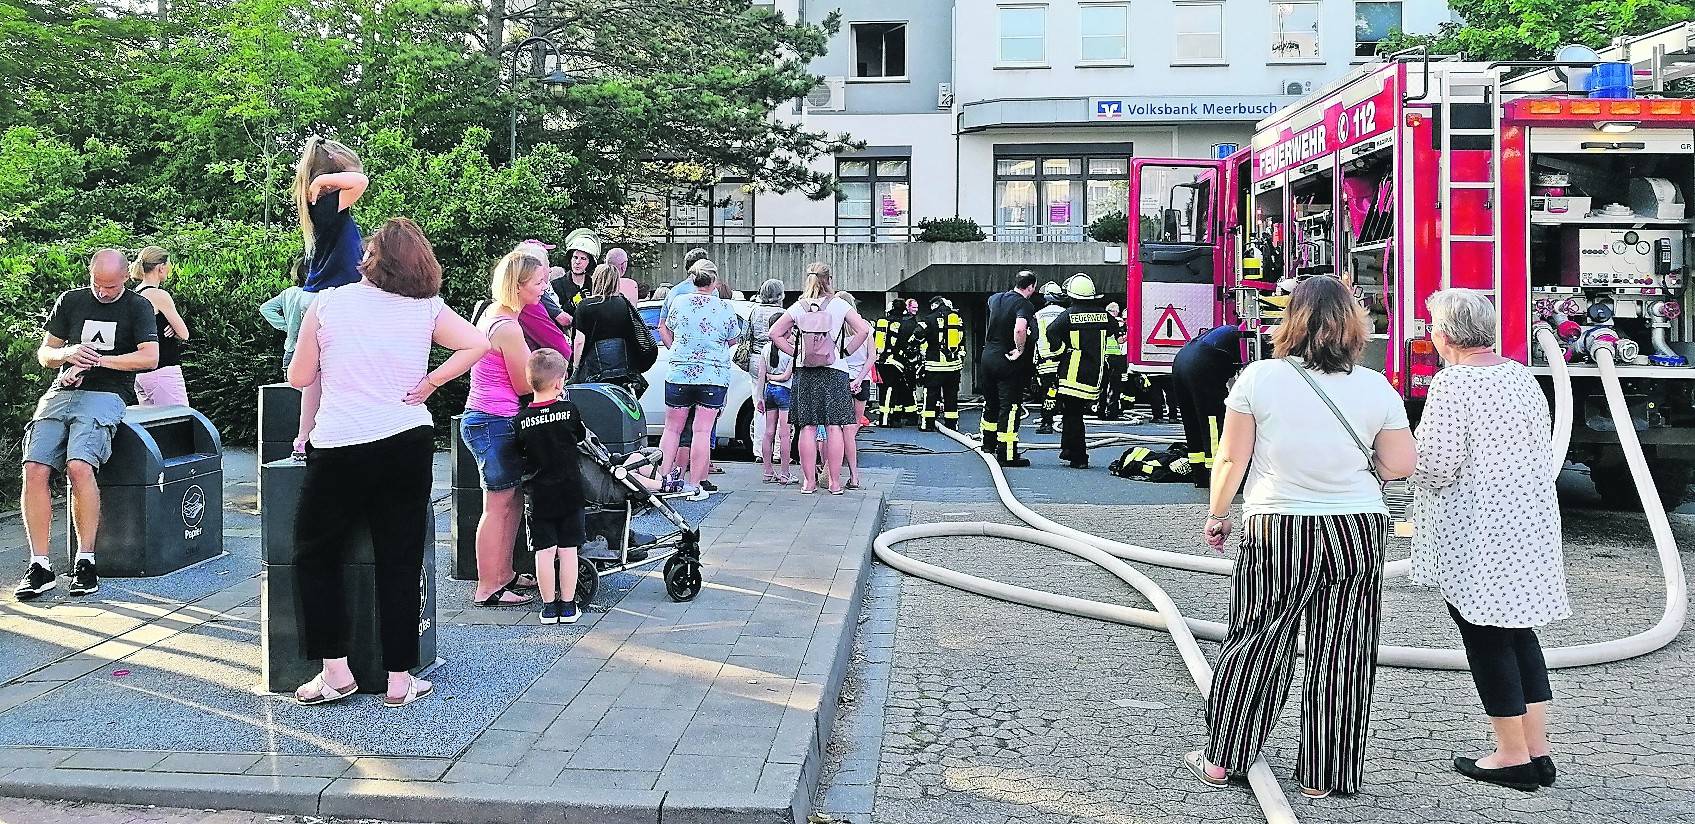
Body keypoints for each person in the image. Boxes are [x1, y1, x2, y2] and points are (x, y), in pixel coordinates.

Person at [1184, 276, 1417, 798]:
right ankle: (1324, 775)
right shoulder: (1376, 386)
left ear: (1290, 322)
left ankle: (1223, 758)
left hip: (1277, 524)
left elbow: (1231, 457)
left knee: (1257, 640)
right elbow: (1402, 463)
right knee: (1344, 651)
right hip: (1356, 526)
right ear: (1353, 324)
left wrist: (1218, 514)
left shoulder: (1259, 378)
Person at [286, 217, 487, 708]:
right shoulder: (427, 307)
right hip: (406, 439)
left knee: (316, 554)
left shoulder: (327, 303)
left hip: (339, 443)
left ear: (370, 260)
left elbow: (299, 376)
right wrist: (432, 382)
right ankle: (400, 678)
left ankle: (335, 670)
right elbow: (478, 343)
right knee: (400, 557)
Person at [1410, 288, 1568, 792]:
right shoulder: (1520, 376)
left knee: (1485, 636)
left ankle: (1511, 756)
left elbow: (1437, 466)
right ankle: (1538, 751)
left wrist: (1392, 460)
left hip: (1477, 530)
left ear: (1444, 335)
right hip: (1528, 523)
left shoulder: (1452, 384)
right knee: (1520, 633)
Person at [13, 250, 159, 601]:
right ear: (90, 274)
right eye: (97, 284)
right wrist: (67, 355)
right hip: (62, 390)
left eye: (111, 286)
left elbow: (150, 357)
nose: (103, 292)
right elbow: (46, 353)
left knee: (79, 465)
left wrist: (98, 361)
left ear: (126, 278)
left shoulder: (138, 306)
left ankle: (86, 560)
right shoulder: (71, 300)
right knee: (34, 467)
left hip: (107, 394)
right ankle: (40, 565)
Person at [462, 252, 553, 608]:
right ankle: (487, 585)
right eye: (538, 282)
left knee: (511, 501)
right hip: (493, 420)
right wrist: (550, 375)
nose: (544, 287)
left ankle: (504, 574)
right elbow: (523, 384)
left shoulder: (494, 314)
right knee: (497, 506)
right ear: (518, 286)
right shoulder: (509, 328)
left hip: (491, 418)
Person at [290, 136, 369, 460]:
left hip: (322, 295)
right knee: (337, 373)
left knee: (319, 376)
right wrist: (323, 181)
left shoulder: (321, 205)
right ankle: (318, 438)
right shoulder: (327, 203)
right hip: (334, 296)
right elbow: (361, 180)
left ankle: (304, 440)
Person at [770, 262, 872, 494]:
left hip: (805, 371)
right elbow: (863, 330)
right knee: (834, 426)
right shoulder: (839, 305)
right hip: (835, 370)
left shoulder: (799, 306)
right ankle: (834, 483)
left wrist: (795, 353)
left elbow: (774, 333)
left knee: (807, 427)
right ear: (829, 280)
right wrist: (845, 351)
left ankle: (809, 482)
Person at [657, 261, 744, 499]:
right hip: (712, 375)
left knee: (672, 429)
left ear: (693, 279)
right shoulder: (725, 308)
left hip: (680, 372)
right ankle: (695, 484)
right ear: (714, 281)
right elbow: (733, 338)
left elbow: (669, 328)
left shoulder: (679, 302)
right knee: (702, 431)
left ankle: (663, 479)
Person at [515, 348, 588, 626]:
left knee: (544, 552)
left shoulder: (521, 420)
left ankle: (548, 608)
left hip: (539, 496)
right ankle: (568, 606)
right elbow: (580, 436)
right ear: (559, 383)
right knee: (568, 550)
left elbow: (518, 451)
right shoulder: (569, 411)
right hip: (570, 492)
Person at [1044, 274, 1111, 469]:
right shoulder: (1104, 315)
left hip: (1072, 374)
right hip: (1095, 374)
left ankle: (1079, 456)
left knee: (1073, 415)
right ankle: (1068, 449)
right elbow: (1115, 330)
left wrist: (1060, 350)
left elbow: (1051, 331)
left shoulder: (1069, 314)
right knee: (1072, 413)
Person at [1170, 323, 1247, 487]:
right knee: (1213, 424)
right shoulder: (1248, 339)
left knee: (1192, 422)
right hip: (1202, 365)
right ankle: (1219, 476)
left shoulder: (1229, 333)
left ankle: (1200, 475)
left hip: (1181, 362)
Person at [979, 272, 1039, 467]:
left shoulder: (995, 299)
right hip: (1007, 360)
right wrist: (1020, 350)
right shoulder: (1024, 304)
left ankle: (988, 444)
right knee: (1010, 406)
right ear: (1030, 287)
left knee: (991, 402)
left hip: (988, 357)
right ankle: (1007, 453)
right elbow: (1020, 328)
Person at [572, 263, 655, 396]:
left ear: (596, 280)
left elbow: (579, 341)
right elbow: (636, 333)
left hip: (594, 370)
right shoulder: (624, 304)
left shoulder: (584, 305)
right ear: (616, 281)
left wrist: (576, 368)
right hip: (624, 370)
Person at [129, 246, 191, 407]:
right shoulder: (158, 295)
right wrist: (172, 327)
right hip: (163, 371)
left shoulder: (135, 294)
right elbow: (184, 334)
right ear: (161, 267)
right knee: (177, 419)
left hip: (140, 374)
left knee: (154, 422)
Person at [746, 278, 788, 460]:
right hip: (780, 357)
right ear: (780, 295)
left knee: (759, 404)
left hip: (757, 358)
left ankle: (759, 450)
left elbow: (746, 336)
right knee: (781, 406)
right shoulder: (784, 314)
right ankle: (778, 451)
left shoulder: (754, 311)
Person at [754, 313, 795, 484]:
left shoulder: (765, 348)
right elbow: (786, 376)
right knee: (784, 435)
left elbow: (761, 375)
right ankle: (785, 473)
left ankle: (768, 471)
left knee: (768, 432)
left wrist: (759, 397)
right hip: (785, 391)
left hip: (769, 391)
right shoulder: (791, 349)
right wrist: (775, 377)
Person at [837, 291, 873, 489]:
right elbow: (872, 357)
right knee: (853, 427)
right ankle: (854, 476)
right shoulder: (865, 326)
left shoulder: (835, 328)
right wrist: (859, 378)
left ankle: (831, 470)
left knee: (836, 427)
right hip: (862, 380)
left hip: (840, 378)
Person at [873, 298, 923, 428]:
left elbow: (877, 344)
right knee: (901, 389)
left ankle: (885, 419)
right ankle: (898, 418)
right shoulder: (909, 324)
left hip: (884, 361)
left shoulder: (883, 321)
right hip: (902, 362)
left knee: (886, 390)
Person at [918, 296, 964, 432]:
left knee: (931, 395)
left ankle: (928, 424)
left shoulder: (929, 318)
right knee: (951, 395)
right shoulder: (957, 319)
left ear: (935, 305)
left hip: (934, 365)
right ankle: (952, 424)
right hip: (953, 366)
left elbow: (918, 334)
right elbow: (962, 339)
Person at [260, 258, 314, 368]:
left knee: (289, 379)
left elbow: (265, 308)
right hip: (311, 350)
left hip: (290, 349)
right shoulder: (316, 295)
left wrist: (286, 326)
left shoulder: (288, 293)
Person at [1032, 281, 1066, 435]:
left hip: (1045, 360)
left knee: (1048, 392)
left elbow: (1033, 337)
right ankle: (1065, 420)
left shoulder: (1038, 315)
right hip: (1064, 360)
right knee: (1064, 391)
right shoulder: (1065, 313)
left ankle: (1047, 423)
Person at [552, 230, 601, 311]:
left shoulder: (595, 286)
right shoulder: (556, 285)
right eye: (575, 257)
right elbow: (555, 313)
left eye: (583, 258)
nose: (577, 262)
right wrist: (574, 302)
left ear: (590, 263)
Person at [1099, 302, 1128, 419]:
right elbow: (1120, 340)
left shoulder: (1100, 321)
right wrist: (1130, 335)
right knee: (1114, 386)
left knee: (1102, 385)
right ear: (1115, 311)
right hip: (1115, 358)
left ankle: (1100, 411)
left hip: (1102, 357)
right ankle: (1112, 412)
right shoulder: (1116, 322)